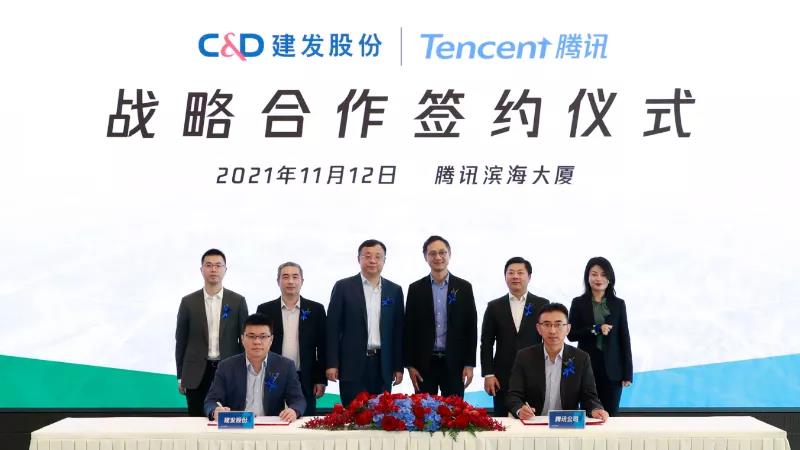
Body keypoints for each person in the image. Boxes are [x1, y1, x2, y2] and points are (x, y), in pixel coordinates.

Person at [326, 239, 405, 407]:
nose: (372, 260)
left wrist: (398, 366)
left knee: (381, 415)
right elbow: (332, 328)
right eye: (367, 256)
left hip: (383, 365)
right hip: (351, 365)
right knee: (353, 414)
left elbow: (398, 332)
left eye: (378, 256)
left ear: (384, 260)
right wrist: (332, 363)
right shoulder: (343, 287)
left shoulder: (394, 290)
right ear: (358, 259)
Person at [175, 248, 249, 417]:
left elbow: (245, 339)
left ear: (225, 269)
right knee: (197, 420)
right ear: (201, 269)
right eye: (208, 265)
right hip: (196, 373)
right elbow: (181, 341)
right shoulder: (188, 302)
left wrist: (245, 371)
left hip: (229, 369)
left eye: (218, 265)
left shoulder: (237, 301)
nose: (213, 269)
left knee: (227, 420)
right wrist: (181, 376)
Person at [506, 303, 609, 421]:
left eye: (558, 325)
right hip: (534, 422)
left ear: (568, 328)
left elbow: (589, 396)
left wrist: (595, 409)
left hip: (566, 424)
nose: (552, 331)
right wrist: (520, 409)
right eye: (547, 325)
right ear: (538, 329)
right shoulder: (525, 357)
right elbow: (513, 395)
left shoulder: (581, 358)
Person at [403, 235, 477, 397]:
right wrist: (410, 365)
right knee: (423, 410)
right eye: (432, 253)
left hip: (455, 364)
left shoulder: (464, 288)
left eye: (442, 252)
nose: (438, 257)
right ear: (425, 257)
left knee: (454, 410)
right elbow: (409, 328)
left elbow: (471, 327)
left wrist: (469, 364)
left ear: (449, 255)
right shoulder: (415, 289)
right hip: (423, 364)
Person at [480, 257, 549, 416]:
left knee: (534, 419)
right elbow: (486, 343)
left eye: (520, 273)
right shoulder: (494, 306)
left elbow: (548, 338)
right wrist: (488, 374)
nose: (515, 276)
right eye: (511, 273)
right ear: (505, 277)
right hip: (502, 376)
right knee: (503, 422)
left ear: (529, 277)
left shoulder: (542, 304)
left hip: (535, 373)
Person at [204, 313, 306, 422]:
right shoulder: (226, 367)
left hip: (271, 426)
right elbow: (211, 401)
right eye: (251, 336)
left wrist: (293, 411)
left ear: (271, 339)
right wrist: (215, 411)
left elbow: (298, 400)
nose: (257, 342)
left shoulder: (285, 366)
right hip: (237, 426)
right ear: (242, 338)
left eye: (263, 336)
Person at [256, 262, 327, 415]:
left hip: (305, 377)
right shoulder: (265, 310)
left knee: (304, 420)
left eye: (295, 277)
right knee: (271, 419)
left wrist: (320, 379)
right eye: (285, 277)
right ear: (278, 281)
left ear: (302, 281)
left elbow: (323, 347)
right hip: (272, 376)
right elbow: (258, 344)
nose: (290, 281)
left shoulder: (316, 309)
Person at [567, 257, 633, 416]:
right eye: (594, 274)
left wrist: (627, 373)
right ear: (587, 277)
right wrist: (596, 329)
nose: (598, 279)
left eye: (603, 275)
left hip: (613, 371)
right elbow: (571, 334)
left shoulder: (618, 304)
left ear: (610, 278)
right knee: (588, 416)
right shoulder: (578, 303)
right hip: (586, 368)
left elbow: (624, 338)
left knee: (610, 416)